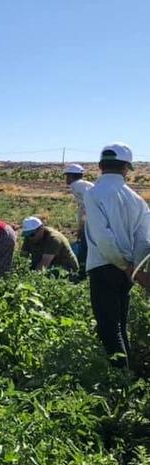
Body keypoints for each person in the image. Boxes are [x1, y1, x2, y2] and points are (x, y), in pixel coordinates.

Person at [84, 143, 150, 369]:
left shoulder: (93, 194)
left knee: (108, 327)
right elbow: (144, 240)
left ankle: (120, 380)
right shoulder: (137, 200)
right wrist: (135, 269)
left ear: (101, 165)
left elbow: (102, 237)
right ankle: (129, 376)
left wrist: (123, 264)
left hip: (105, 266)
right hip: (128, 271)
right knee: (120, 324)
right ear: (126, 168)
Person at [64, 163, 94, 271]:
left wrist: (83, 225)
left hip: (91, 222)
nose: (66, 178)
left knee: (87, 245)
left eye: (67, 176)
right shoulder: (84, 184)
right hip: (91, 221)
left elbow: (88, 205)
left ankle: (84, 269)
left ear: (71, 176)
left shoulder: (77, 185)